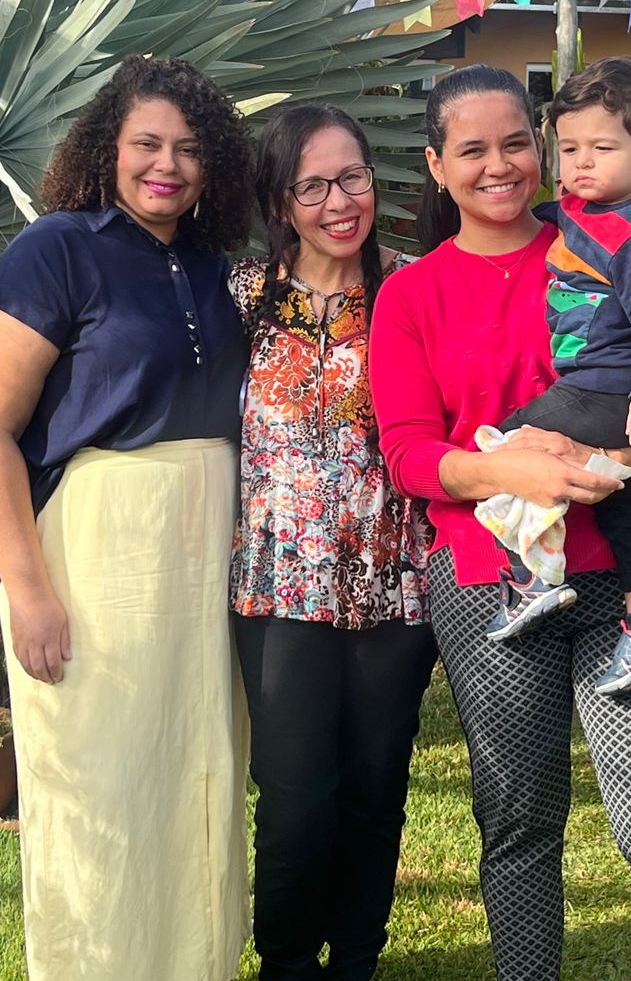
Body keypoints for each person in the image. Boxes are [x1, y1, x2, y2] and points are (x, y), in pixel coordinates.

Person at [368, 65, 631, 980]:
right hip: (491, 584)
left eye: (517, 143)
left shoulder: (605, 238)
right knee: (519, 823)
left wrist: (606, 462)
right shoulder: (412, 295)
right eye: (472, 149)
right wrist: (507, 469)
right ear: (437, 165)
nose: (500, 165)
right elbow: (409, 454)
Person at [0, 55, 252, 981]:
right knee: (103, 787)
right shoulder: (57, 250)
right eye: (147, 143)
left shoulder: (214, 267)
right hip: (94, 560)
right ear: (106, 148)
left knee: (197, 774)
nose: (168, 165)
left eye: (189, 149)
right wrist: (28, 591)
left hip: (202, 565)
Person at [229, 104, 437, 980]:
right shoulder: (242, 297)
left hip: (395, 582)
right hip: (277, 587)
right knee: (293, 799)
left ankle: (355, 960)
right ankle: (285, 964)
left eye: (352, 177)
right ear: (281, 200)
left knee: (374, 790)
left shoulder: (411, 288)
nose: (338, 202)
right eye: (311, 186)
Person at [479, 55, 631, 697]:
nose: (581, 163)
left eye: (602, 149)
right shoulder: (583, 207)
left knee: (511, 441)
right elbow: (558, 215)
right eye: (569, 148)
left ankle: (533, 578)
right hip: (610, 387)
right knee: (628, 498)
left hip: (614, 387)